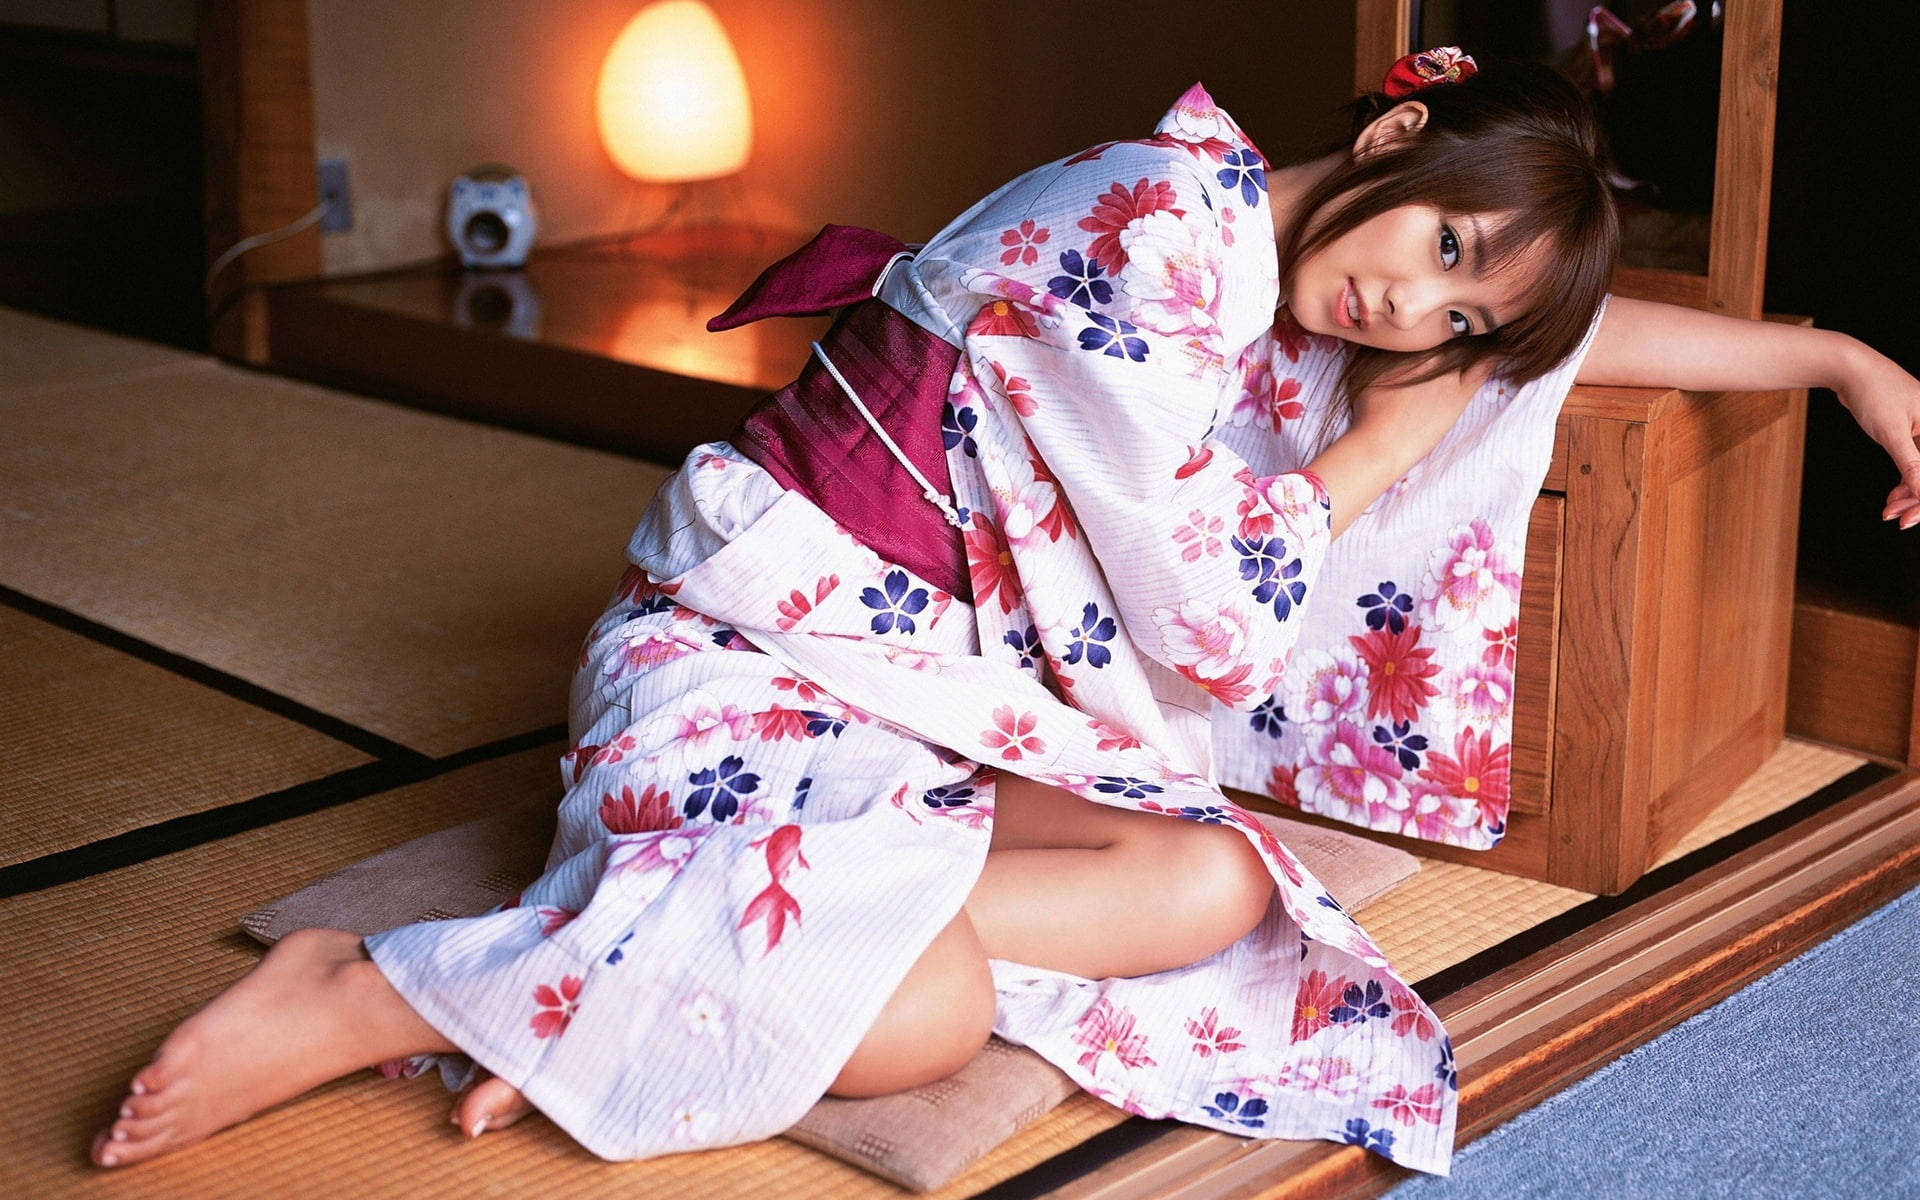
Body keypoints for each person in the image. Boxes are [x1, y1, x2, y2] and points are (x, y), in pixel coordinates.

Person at [91, 49, 1920, 1176]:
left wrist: (1839, 354)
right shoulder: (1153, 232)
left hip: (917, 699)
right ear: (1397, 127)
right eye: (1440, 249)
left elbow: (1572, 336)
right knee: (926, 1016)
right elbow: (1215, 624)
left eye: (1458, 324)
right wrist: (1376, 452)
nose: (1409, 320)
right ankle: (385, 990)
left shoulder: (1263, 251)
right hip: (749, 656)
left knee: (1212, 880)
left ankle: (668, 973)